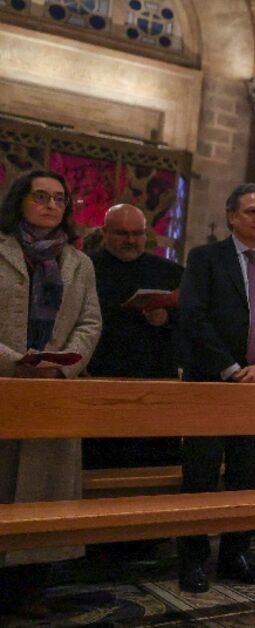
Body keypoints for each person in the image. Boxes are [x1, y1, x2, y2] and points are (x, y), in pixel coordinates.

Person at [175, 183, 255, 594]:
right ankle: (193, 560)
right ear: (231, 216)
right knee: (201, 474)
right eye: (251, 212)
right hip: (211, 383)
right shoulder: (205, 258)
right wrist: (230, 367)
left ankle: (236, 555)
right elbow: (193, 315)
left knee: (246, 474)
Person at [0, 170, 102, 618]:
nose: (49, 205)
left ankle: (31, 589)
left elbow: (91, 321)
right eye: (40, 196)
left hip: (53, 389)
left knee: (43, 493)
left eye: (59, 199)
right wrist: (14, 359)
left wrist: (65, 363)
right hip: (5, 382)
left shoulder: (79, 262)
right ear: (20, 200)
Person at [85, 204, 185, 470]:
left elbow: (191, 321)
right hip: (101, 374)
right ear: (105, 232)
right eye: (121, 233)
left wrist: (165, 318)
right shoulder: (85, 268)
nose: (131, 240)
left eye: (137, 233)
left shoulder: (170, 272)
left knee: (154, 462)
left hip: (154, 375)